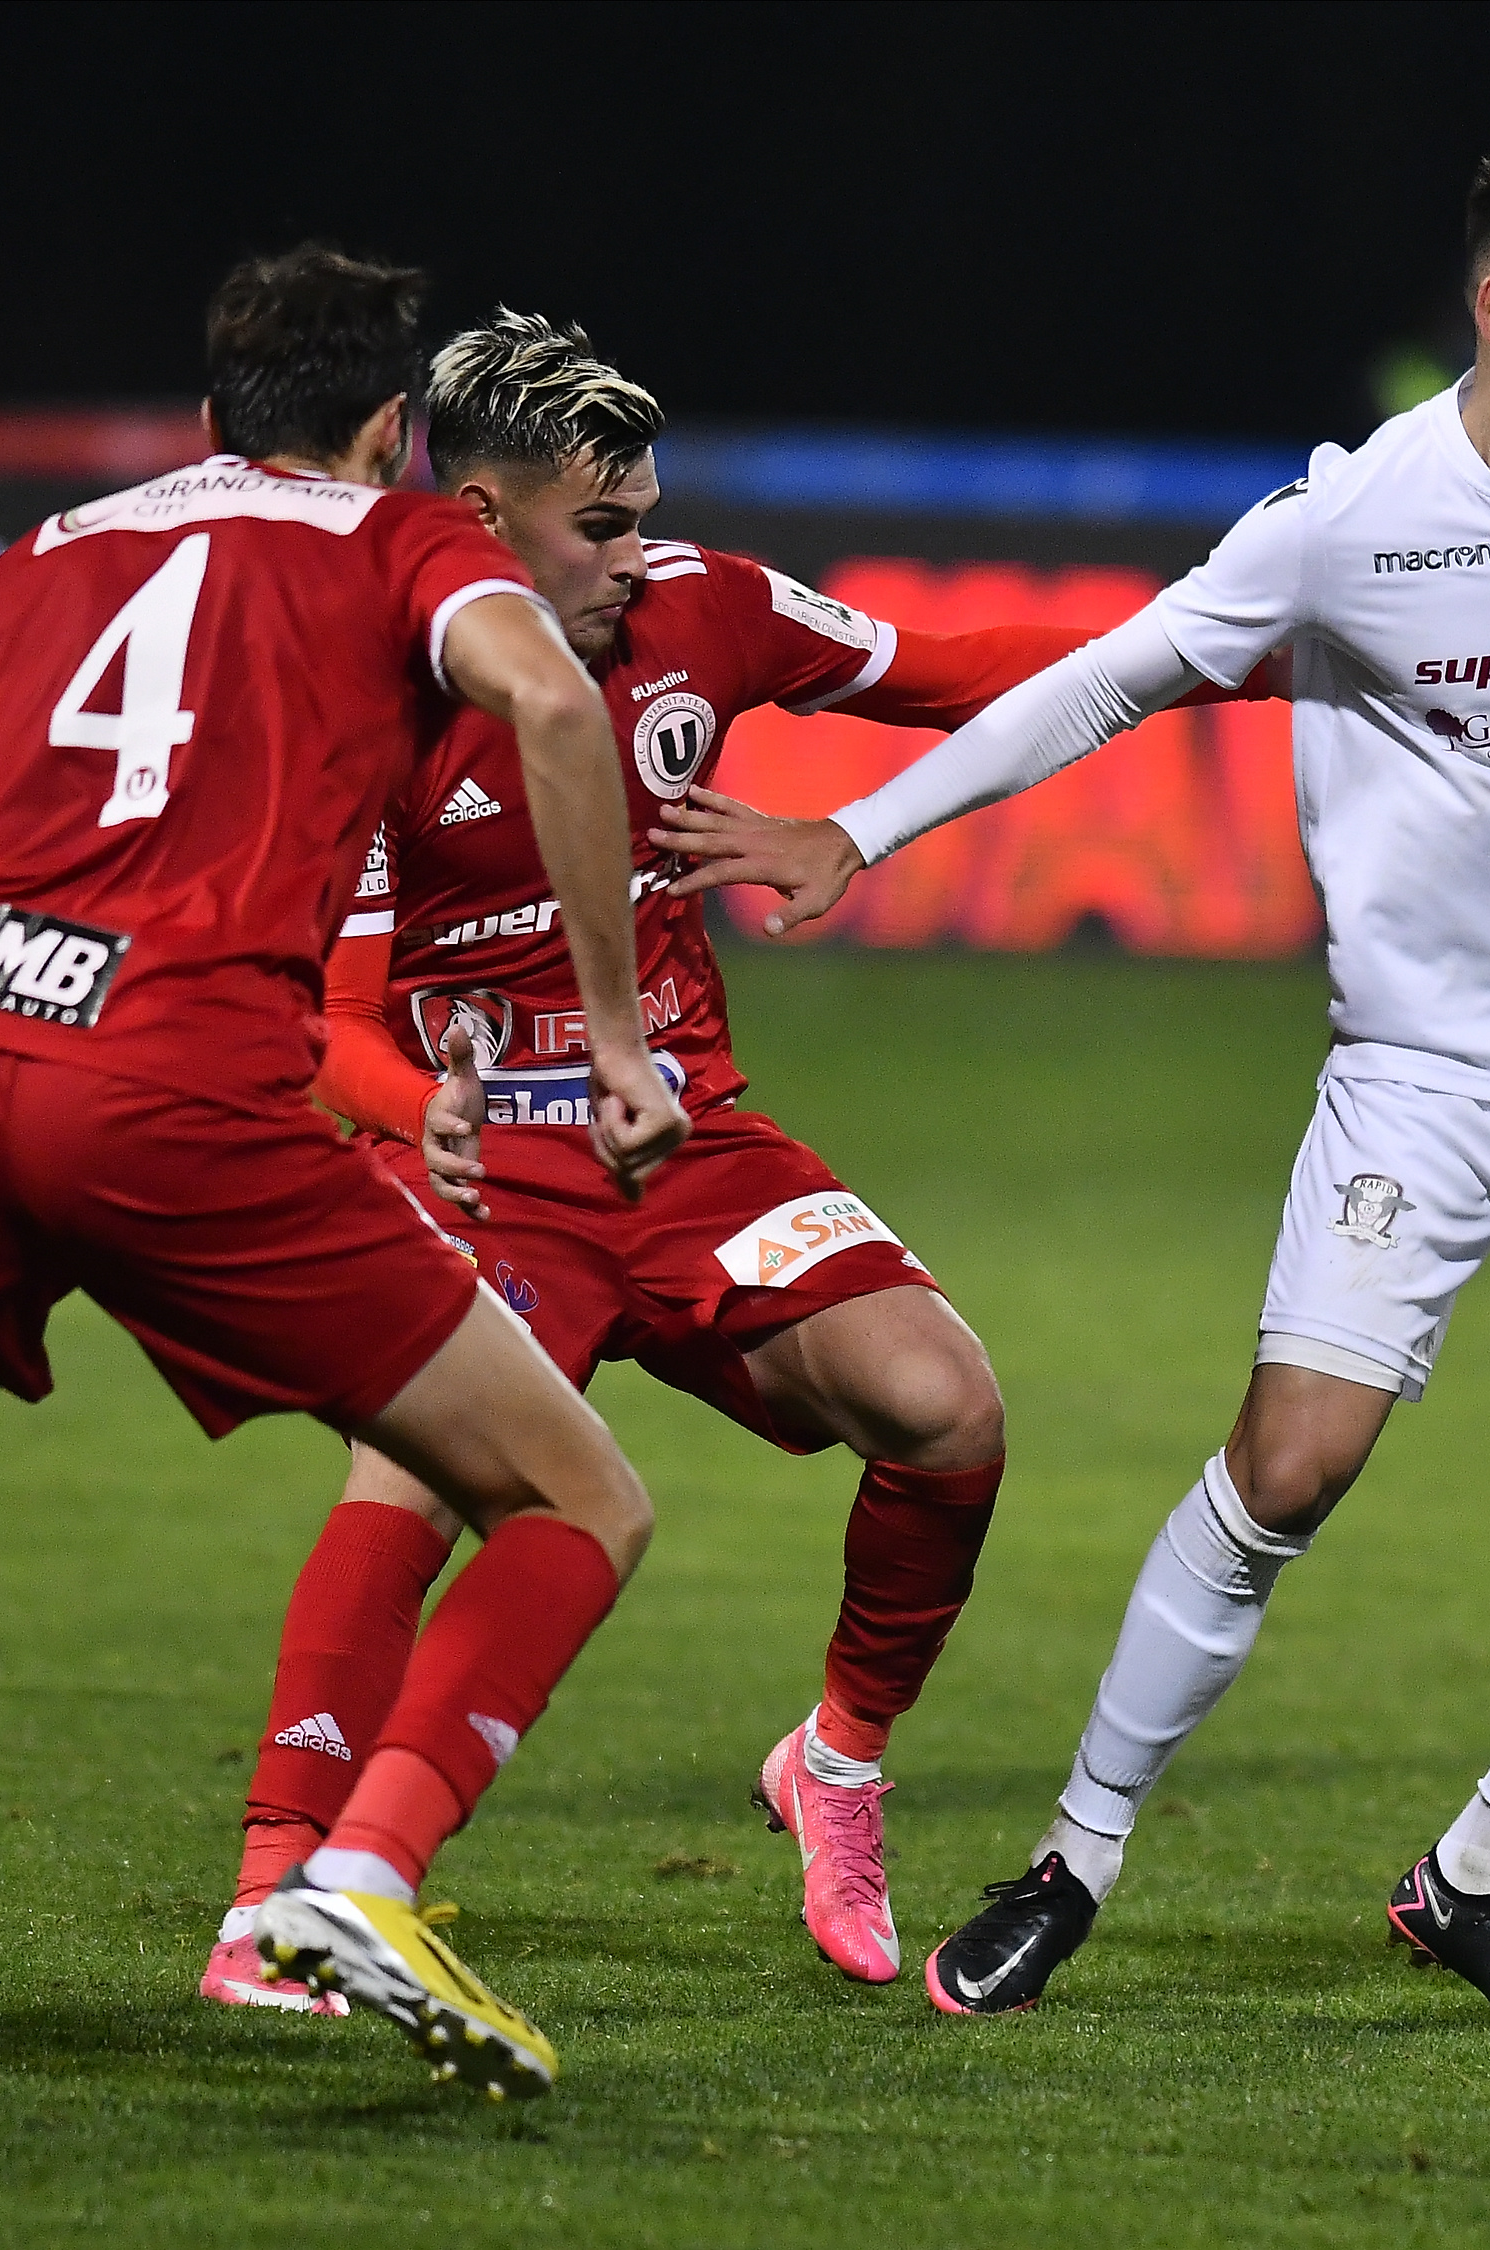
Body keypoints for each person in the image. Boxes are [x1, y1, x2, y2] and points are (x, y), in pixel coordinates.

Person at [656, 142, 1490, 2026]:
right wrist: (852, 834)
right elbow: (1105, 683)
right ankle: (1072, 1861)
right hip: (1427, 1085)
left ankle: (1482, 1874)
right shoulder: (1349, 527)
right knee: (1292, 1467)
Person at [0, 248, 688, 2102]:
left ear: (205, 420)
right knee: (580, 1495)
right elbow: (559, 709)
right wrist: (623, 1043)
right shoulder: (396, 548)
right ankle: (359, 1878)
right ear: (396, 433)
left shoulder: (42, 560)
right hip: (171, 1097)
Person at [203, 310, 1280, 2010]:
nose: (642, 557)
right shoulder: (365, 684)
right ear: (477, 519)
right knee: (407, 1485)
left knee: (947, 1412)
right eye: (601, 526)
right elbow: (322, 1025)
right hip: (484, 1168)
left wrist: (1236, 643)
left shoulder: (711, 605)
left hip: (686, 1143)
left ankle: (837, 1762)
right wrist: (427, 1118)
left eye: (645, 513)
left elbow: (951, 665)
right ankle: (269, 1899)